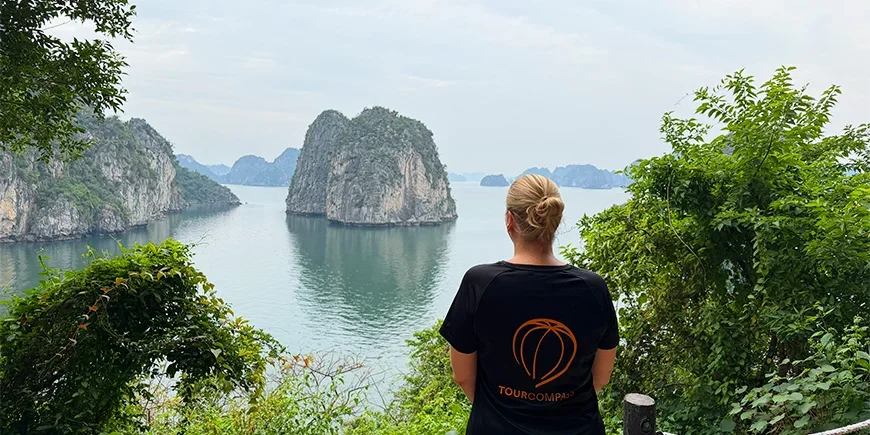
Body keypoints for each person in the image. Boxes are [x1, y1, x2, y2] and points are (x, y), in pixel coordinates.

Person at [439, 174, 619, 435]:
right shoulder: (593, 288)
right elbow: (601, 377)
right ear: (555, 222)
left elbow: (462, 376)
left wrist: (499, 412)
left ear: (510, 220)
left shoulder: (480, 283)